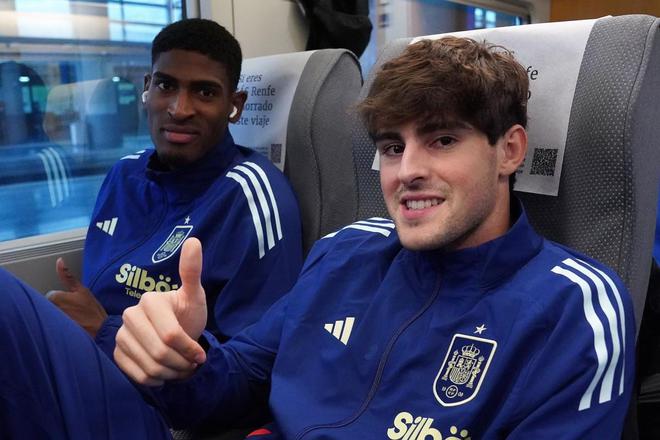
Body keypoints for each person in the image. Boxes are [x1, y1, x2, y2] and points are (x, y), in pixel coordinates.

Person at [0, 36, 634, 439]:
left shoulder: (574, 307)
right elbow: (238, 381)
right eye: (392, 147)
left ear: (510, 151)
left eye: (442, 139)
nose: (407, 171)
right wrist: (184, 360)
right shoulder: (347, 250)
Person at [45, 18, 303, 360]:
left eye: (205, 92)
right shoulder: (123, 175)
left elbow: (254, 365)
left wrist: (106, 333)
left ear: (235, 106)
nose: (179, 110)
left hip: (155, 388)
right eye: (166, 85)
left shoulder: (252, 199)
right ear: (147, 88)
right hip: (87, 361)